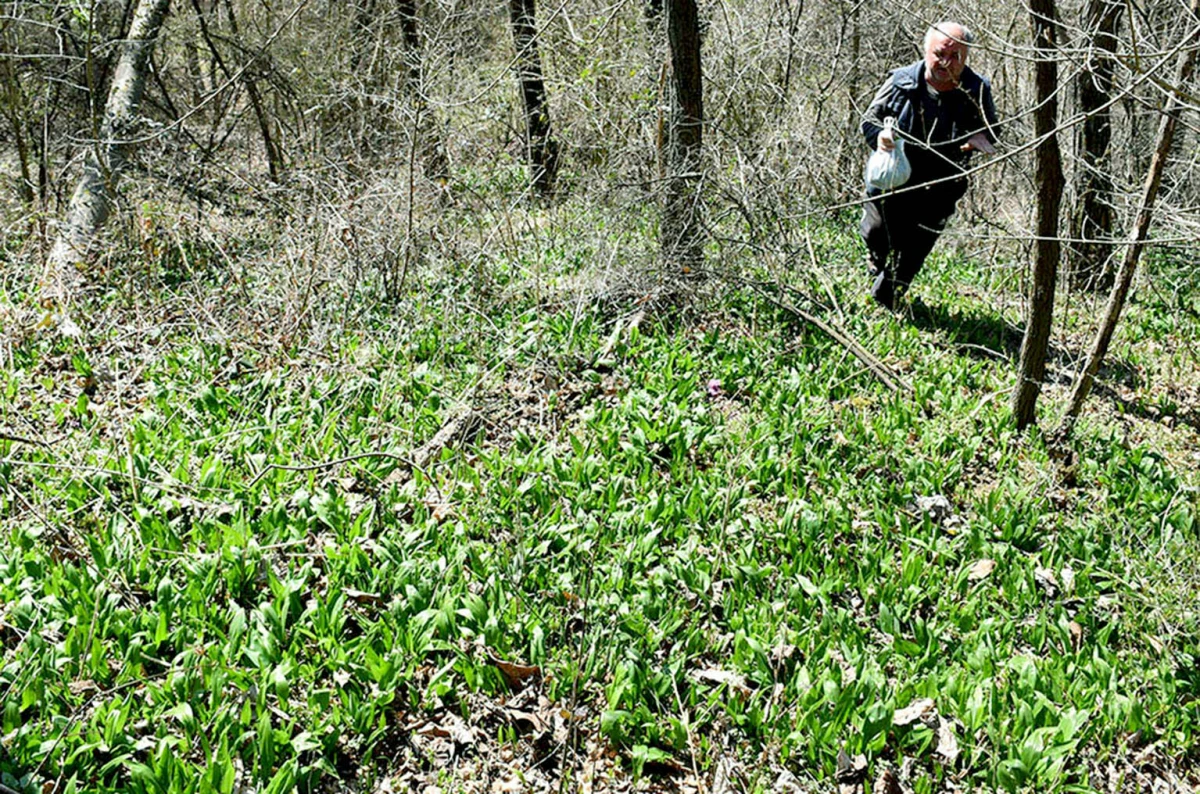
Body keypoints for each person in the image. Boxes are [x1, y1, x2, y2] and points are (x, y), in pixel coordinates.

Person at [860, 22, 1000, 310]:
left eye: (955, 57)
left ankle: (885, 301)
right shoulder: (900, 81)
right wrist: (882, 137)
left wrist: (978, 137)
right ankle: (876, 256)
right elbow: (869, 120)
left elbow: (992, 130)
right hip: (894, 176)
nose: (945, 63)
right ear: (926, 51)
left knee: (915, 247)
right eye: (939, 54)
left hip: (941, 184)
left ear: (966, 58)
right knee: (877, 231)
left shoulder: (977, 88)